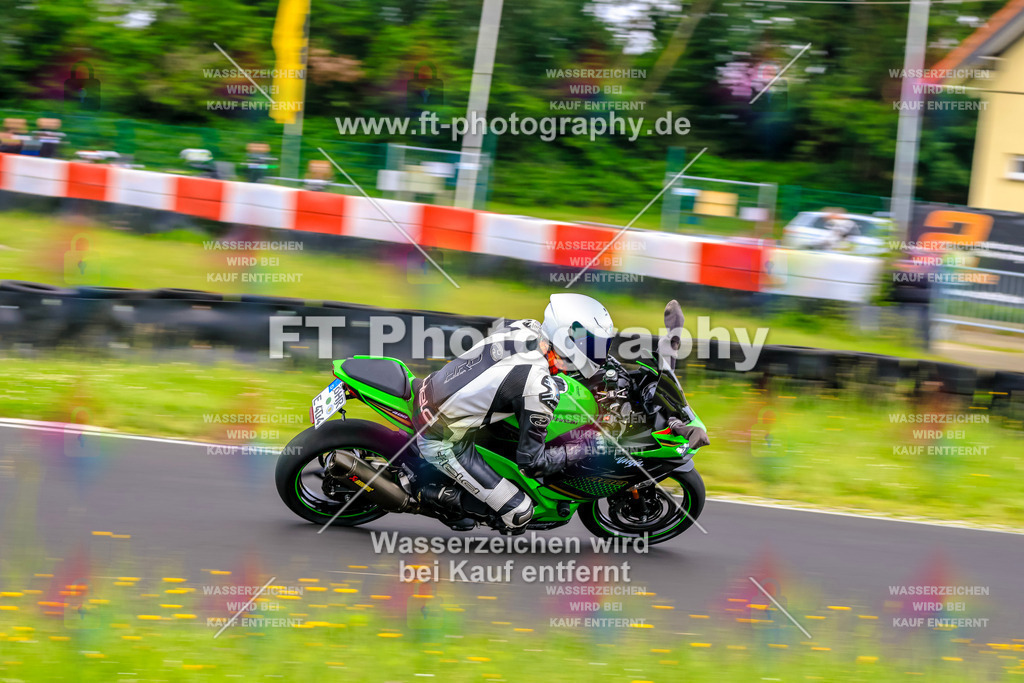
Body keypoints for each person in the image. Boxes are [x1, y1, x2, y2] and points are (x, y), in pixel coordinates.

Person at [413, 293, 615, 531]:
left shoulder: (527, 327)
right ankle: (437, 498)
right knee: (520, 513)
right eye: (592, 345)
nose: (598, 353)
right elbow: (532, 464)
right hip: (443, 439)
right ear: (570, 340)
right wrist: (587, 447)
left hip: (435, 388)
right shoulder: (538, 387)